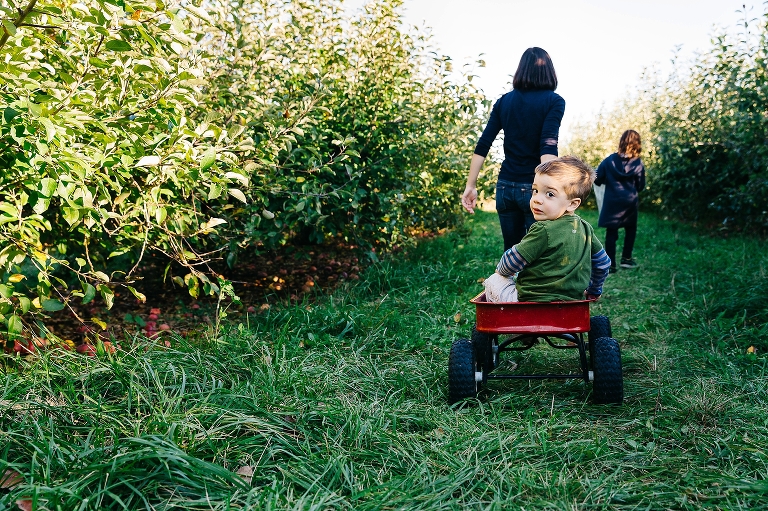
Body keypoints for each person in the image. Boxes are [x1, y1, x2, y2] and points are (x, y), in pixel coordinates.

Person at [462, 47, 566, 251]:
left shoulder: (504, 102)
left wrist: (470, 185)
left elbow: (483, 143)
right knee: (537, 257)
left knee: (511, 254)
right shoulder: (554, 101)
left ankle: (506, 284)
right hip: (534, 189)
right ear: (549, 71)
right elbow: (548, 144)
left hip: (505, 187)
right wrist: (552, 190)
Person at [483, 156, 611, 303]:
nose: (537, 199)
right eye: (535, 190)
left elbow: (513, 260)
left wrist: (502, 271)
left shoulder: (543, 229)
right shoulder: (585, 228)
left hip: (531, 300)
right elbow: (603, 262)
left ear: (572, 204)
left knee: (495, 279)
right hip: (572, 301)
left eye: (550, 194)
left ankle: (504, 320)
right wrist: (594, 290)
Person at [594, 130, 646, 273]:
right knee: (631, 229)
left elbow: (597, 178)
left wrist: (608, 180)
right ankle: (626, 259)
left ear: (621, 142)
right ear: (637, 144)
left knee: (612, 232)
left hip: (612, 201)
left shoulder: (609, 160)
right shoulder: (638, 163)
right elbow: (640, 186)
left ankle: (611, 265)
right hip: (630, 201)